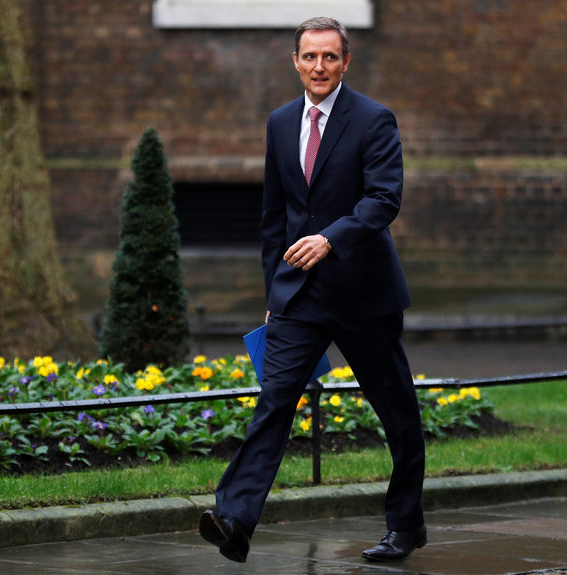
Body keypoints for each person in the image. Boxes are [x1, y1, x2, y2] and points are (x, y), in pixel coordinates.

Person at [199, 16, 426, 564]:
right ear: (294, 61)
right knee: (274, 403)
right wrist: (274, 295)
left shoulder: (374, 120)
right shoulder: (279, 122)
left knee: (396, 412)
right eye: (309, 57)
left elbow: (383, 200)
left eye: (329, 57)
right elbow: (273, 217)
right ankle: (233, 519)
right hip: (299, 297)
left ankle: (404, 526)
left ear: (345, 62)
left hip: (363, 294)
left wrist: (329, 238)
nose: (319, 66)